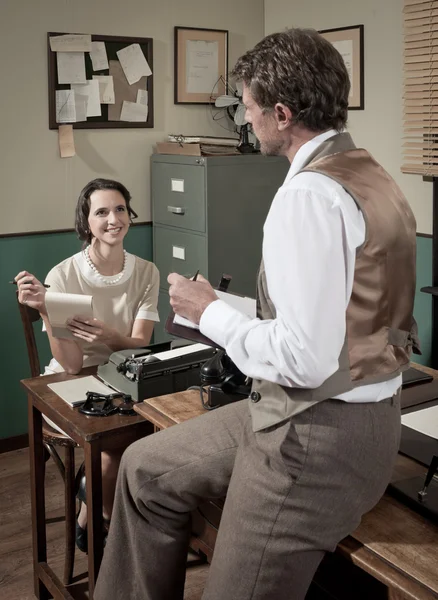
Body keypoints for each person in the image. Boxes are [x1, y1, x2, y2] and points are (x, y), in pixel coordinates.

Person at [94, 28, 419, 600]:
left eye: (247, 109)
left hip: (315, 438)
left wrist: (209, 316)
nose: (245, 121)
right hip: (354, 419)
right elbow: (326, 320)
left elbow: (303, 357)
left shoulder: (306, 198)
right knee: (144, 472)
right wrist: (220, 306)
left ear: (282, 113)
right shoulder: (370, 174)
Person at [15, 178, 159, 552]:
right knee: (118, 441)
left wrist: (109, 336)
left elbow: (140, 343)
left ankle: (93, 507)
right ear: (86, 221)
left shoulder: (147, 272)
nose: (114, 219)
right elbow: (73, 363)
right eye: (101, 212)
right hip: (72, 380)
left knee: (159, 429)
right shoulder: (63, 276)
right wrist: (47, 309)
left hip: (124, 374)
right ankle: (105, 523)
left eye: (120, 209)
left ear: (130, 214)